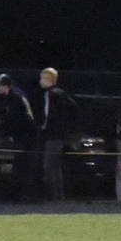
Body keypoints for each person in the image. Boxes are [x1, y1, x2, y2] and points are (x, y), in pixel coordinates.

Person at [0, 74, 38, 201]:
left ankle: (23, 196)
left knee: (23, 167)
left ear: (5, 86)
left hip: (27, 137)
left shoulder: (15, 98)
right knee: (20, 166)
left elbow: (13, 120)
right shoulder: (11, 98)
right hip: (22, 137)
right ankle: (20, 195)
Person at [37, 68, 77, 201]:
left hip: (52, 134)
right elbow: (73, 106)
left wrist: (45, 126)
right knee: (56, 166)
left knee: (48, 166)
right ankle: (59, 195)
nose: (40, 81)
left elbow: (49, 114)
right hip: (61, 134)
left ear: (48, 80)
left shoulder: (50, 94)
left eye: (42, 78)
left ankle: (52, 195)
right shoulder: (62, 93)